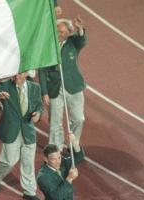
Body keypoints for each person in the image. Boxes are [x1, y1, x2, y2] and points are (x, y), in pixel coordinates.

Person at [0, 72, 43, 200]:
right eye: (15, 74)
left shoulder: (35, 88)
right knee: (9, 161)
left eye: (19, 74)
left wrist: (38, 114)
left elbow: (39, 106)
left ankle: (29, 191)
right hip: (11, 130)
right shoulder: (6, 85)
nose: (16, 77)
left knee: (28, 162)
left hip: (28, 131)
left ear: (26, 74)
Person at [38, 16, 87, 155]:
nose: (60, 34)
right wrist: (44, 92)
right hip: (55, 89)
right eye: (58, 31)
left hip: (74, 87)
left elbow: (82, 40)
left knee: (78, 119)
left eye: (63, 32)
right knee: (55, 123)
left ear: (69, 33)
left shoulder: (73, 43)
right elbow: (42, 70)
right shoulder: (47, 46)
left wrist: (80, 29)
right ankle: (55, 148)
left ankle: (72, 143)